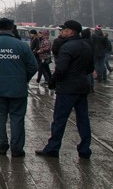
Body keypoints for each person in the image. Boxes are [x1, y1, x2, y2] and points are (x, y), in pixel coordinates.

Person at [0, 18, 38, 157]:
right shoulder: (22, 46)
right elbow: (33, 66)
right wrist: (23, 79)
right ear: (12, 28)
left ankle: (1, 147)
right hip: (18, 88)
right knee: (17, 118)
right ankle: (17, 149)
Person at [36, 19, 95, 159]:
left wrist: (52, 81)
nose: (61, 32)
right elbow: (90, 68)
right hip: (82, 87)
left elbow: (61, 69)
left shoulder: (67, 47)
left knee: (59, 120)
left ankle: (52, 148)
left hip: (67, 89)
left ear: (70, 32)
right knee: (83, 119)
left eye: (63, 30)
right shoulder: (86, 46)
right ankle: (85, 149)